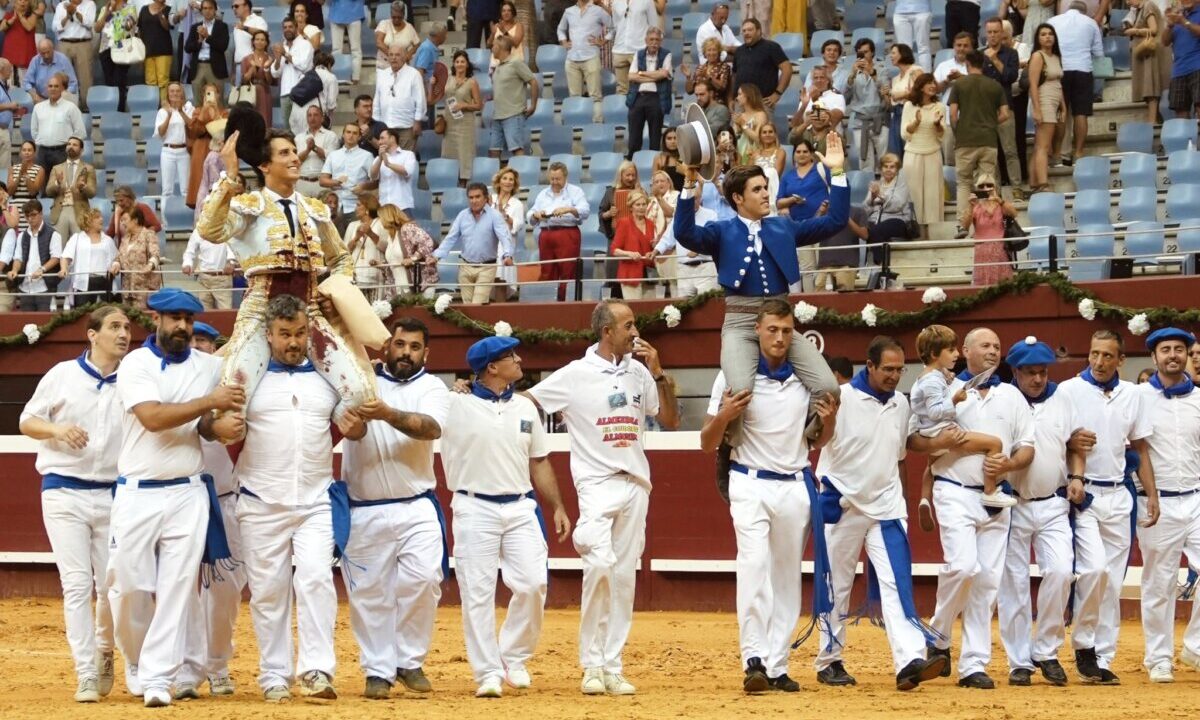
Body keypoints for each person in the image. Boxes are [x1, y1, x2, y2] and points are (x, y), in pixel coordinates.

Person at [213, 293, 364, 703]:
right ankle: (274, 675)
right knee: (268, 591)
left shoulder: (325, 378)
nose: (293, 342)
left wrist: (356, 429)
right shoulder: (248, 379)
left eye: (299, 333)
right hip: (261, 500)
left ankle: (316, 671)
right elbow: (222, 428)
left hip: (314, 499)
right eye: (284, 335)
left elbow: (353, 422)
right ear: (269, 335)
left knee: (316, 579)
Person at [527, 300, 678, 695]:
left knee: (624, 577)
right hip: (595, 483)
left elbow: (670, 419)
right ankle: (591, 664)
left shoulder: (641, 372)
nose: (635, 331)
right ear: (606, 331)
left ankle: (611, 665)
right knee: (600, 565)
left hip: (636, 483)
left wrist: (659, 373)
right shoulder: (575, 374)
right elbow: (529, 402)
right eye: (628, 325)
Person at [196, 116, 381, 433]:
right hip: (259, 312)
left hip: (308, 310)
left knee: (362, 392)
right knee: (233, 396)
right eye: (284, 153)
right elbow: (209, 229)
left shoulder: (314, 209)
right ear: (265, 166)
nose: (295, 157)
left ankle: (313, 428)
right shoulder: (247, 206)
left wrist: (333, 292)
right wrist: (229, 175)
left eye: (294, 151)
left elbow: (341, 259)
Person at [108, 288, 242, 708]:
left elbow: (204, 423)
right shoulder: (135, 364)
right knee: (128, 585)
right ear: (156, 321)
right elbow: (153, 419)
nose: (182, 326)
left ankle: (158, 678)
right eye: (174, 318)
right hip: (137, 490)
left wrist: (218, 427)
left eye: (188, 318)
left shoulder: (209, 365)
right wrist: (209, 403)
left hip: (187, 491)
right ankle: (136, 658)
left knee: (178, 588)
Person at [674, 137, 848, 450]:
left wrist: (837, 173)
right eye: (758, 189)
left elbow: (834, 221)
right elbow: (684, 233)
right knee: (740, 389)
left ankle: (805, 440)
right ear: (738, 198)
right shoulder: (721, 230)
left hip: (781, 320)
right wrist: (689, 180)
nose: (767, 194)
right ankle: (734, 451)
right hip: (741, 323)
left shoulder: (784, 226)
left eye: (766, 187)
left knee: (827, 387)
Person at [699, 298, 835, 694]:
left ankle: (777, 664)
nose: (778, 337)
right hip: (749, 480)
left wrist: (831, 421)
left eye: (786, 331)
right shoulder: (733, 377)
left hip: (794, 483)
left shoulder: (807, 381)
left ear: (795, 337)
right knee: (754, 567)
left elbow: (822, 441)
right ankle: (753, 658)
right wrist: (724, 415)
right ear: (756, 330)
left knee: (787, 577)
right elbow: (706, 443)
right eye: (772, 329)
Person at [813, 334, 951, 690]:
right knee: (837, 586)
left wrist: (904, 499)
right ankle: (829, 660)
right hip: (841, 504)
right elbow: (819, 442)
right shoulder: (840, 398)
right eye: (887, 369)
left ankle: (910, 660)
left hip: (885, 509)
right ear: (869, 366)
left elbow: (901, 455)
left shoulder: (901, 405)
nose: (894, 375)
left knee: (896, 583)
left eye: (899, 369)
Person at [442, 336, 571, 697]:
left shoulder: (526, 408)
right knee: (477, 593)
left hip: (519, 505)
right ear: (492, 368)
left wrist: (557, 505)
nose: (519, 360)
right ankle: (487, 672)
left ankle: (512, 657)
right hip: (473, 505)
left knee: (534, 584)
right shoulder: (454, 403)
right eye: (510, 357)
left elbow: (539, 460)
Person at [18, 305, 129, 702]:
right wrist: (57, 428)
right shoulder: (62, 374)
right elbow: (27, 421)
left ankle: (104, 648)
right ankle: (86, 671)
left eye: (127, 327)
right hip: (63, 490)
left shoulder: (133, 379)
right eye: (114, 327)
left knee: (115, 585)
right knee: (78, 585)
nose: (123, 333)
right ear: (92, 334)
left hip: (114, 494)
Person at [916, 327, 1034, 690]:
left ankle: (973, 664)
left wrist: (1008, 467)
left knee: (986, 583)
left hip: (996, 497)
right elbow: (920, 440)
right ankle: (937, 636)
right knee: (964, 566)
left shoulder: (1012, 395)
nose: (994, 351)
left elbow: (1027, 446)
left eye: (998, 346)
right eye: (985, 345)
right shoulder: (943, 389)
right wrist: (947, 443)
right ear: (963, 351)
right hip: (953, 489)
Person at [339, 317, 449, 698]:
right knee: (369, 593)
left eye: (414, 347)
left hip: (416, 503)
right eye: (400, 345)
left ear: (426, 353)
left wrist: (386, 414)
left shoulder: (433, 387)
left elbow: (432, 428)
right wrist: (352, 421)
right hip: (363, 505)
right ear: (387, 347)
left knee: (424, 579)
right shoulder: (360, 380)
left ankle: (408, 659)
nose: (406, 353)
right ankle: (378, 670)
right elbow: (346, 426)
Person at [1055, 329, 1156, 684]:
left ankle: (1102, 655)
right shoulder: (1068, 390)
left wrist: (1152, 494)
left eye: (1107, 356)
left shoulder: (1133, 395)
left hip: (1120, 494)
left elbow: (1140, 447)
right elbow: (1054, 437)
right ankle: (1084, 645)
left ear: (1121, 360)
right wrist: (1070, 441)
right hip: (1085, 495)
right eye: (1095, 354)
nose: (1099, 361)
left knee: (1112, 582)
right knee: (1095, 571)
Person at [997, 336, 1086, 688]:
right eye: (1030, 372)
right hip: (1012, 504)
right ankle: (1020, 660)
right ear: (1015, 372)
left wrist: (1077, 476)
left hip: (1052, 502)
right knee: (1013, 584)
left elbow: (1075, 443)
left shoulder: (1062, 397)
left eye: (1043, 371)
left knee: (1062, 572)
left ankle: (1046, 650)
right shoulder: (1003, 399)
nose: (1038, 379)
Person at [1135, 328, 1200, 683]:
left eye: (1179, 349)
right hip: (1155, 503)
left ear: (1188, 354)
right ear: (1154, 357)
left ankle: (1196, 646)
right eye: (1165, 350)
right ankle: (1158, 658)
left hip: (1197, 496)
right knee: (1158, 583)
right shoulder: (1138, 398)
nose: (1172, 355)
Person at [911, 324, 1010, 508]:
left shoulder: (934, 375)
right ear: (934, 354)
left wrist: (945, 374)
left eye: (996, 347)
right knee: (994, 443)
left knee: (932, 464)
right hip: (941, 430)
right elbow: (934, 412)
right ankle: (990, 491)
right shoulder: (933, 381)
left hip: (932, 430)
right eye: (951, 350)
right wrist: (954, 400)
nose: (956, 354)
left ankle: (925, 498)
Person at [949, 51, 1008, 238]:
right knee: (987, 182)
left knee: (964, 183)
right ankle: (988, 222)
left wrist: (959, 130)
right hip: (988, 140)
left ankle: (962, 225)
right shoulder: (994, 85)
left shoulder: (959, 84)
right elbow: (1005, 114)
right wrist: (990, 124)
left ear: (967, 63)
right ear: (983, 64)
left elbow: (952, 115)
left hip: (965, 140)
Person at [435, 182, 515, 304]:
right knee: (467, 306)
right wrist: (436, 256)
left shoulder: (495, 216)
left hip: (486, 267)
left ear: (486, 198)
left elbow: (505, 237)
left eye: (477, 197)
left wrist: (507, 254)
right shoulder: (462, 215)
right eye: (471, 197)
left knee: (477, 305)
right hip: (465, 266)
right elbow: (450, 238)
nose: (474, 200)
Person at [1047, 0, 1102, 166]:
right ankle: (1078, 153)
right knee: (1081, 113)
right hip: (1083, 70)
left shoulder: (1053, 21)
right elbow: (1099, 53)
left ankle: (1057, 154)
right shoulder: (1091, 22)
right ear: (1084, 11)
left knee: (1061, 113)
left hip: (1061, 69)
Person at [527, 161, 589, 301]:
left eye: (558, 179)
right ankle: (548, 301)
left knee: (568, 270)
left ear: (565, 177)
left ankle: (567, 302)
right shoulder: (543, 193)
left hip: (567, 233)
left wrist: (569, 209)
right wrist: (535, 215)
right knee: (547, 271)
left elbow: (585, 211)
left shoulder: (576, 191)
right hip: (546, 233)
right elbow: (530, 213)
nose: (554, 182)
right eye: (552, 179)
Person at [654, 177, 717, 297]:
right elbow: (668, 237)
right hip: (684, 268)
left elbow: (713, 239)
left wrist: (698, 249)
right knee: (684, 307)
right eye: (691, 199)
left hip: (705, 267)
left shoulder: (711, 215)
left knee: (708, 305)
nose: (693, 202)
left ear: (701, 198)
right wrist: (656, 250)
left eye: (696, 198)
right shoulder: (680, 216)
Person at [981, 17, 1022, 193]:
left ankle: (1017, 188)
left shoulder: (1011, 54)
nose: (992, 35)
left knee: (1010, 150)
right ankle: (994, 192)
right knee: (991, 154)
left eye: (996, 32)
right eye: (989, 32)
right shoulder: (979, 55)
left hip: (1005, 107)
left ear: (1002, 33)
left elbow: (1010, 77)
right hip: (985, 110)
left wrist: (995, 59)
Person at [902, 73, 946, 238]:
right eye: (929, 83)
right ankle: (917, 233)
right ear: (920, 87)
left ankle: (932, 235)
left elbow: (942, 135)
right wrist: (916, 122)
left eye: (934, 83)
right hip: (913, 154)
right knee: (914, 194)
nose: (933, 86)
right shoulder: (909, 106)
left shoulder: (939, 107)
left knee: (932, 194)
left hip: (933, 153)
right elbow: (905, 134)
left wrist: (937, 125)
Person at [2, 199, 61, 310]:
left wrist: (42, 269)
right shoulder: (22, 236)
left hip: (44, 287)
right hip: (25, 287)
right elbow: (18, 258)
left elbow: (56, 258)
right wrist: (14, 270)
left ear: (41, 213)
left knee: (44, 325)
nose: (30, 218)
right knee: (26, 324)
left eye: (33, 215)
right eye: (27, 216)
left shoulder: (53, 234)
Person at [558, 0, 610, 122]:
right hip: (571, 58)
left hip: (591, 56)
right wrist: (564, 42)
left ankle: (596, 126)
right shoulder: (569, 11)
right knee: (574, 97)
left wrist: (603, 40)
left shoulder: (598, 11)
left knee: (595, 96)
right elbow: (560, 29)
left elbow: (613, 26)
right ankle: (577, 125)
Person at [1027, 23, 1064, 194]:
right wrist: (1037, 109)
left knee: (1040, 145)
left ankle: (1035, 183)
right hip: (1044, 100)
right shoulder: (1037, 56)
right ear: (1038, 38)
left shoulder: (1055, 56)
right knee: (1044, 145)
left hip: (1055, 100)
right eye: (1043, 34)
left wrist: (1063, 105)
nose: (1047, 37)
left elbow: (1058, 83)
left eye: (1050, 33)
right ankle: (1043, 183)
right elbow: (1033, 84)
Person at [844, 38, 890, 174]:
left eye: (866, 52)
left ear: (873, 53)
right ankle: (867, 190)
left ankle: (886, 190)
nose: (863, 55)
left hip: (879, 119)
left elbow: (886, 92)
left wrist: (873, 73)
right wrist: (852, 75)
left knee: (884, 159)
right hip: (860, 120)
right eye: (860, 53)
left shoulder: (881, 70)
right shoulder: (852, 73)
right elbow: (845, 98)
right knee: (864, 160)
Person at [963, 173, 1017, 286]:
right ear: (977, 189)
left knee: (1004, 284)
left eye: (989, 185)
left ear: (995, 187)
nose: (986, 188)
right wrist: (970, 205)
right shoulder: (975, 206)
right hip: (982, 250)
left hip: (1000, 249)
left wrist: (999, 200)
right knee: (983, 284)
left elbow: (1014, 213)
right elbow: (965, 226)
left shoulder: (1000, 204)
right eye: (981, 186)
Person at [489, 36, 538, 159]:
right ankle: (497, 178)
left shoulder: (516, 62)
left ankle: (520, 176)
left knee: (517, 149)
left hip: (513, 114)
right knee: (493, 150)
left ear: (502, 48)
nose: (491, 48)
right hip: (497, 115)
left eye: (494, 46)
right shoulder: (498, 66)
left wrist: (533, 105)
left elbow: (533, 82)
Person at [863, 154, 917, 264]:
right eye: (885, 166)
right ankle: (857, 265)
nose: (888, 170)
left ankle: (880, 265)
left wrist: (881, 196)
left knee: (876, 230)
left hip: (898, 220)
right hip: (875, 220)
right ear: (881, 169)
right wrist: (872, 199)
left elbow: (897, 205)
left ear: (897, 169)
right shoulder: (877, 184)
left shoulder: (902, 185)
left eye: (892, 167)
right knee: (857, 229)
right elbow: (865, 210)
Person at [626, 26, 671, 157]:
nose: (654, 43)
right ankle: (632, 164)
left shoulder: (666, 54)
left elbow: (663, 75)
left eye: (657, 40)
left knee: (655, 138)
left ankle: (654, 168)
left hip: (657, 99)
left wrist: (641, 74)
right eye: (651, 39)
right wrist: (655, 75)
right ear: (646, 40)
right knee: (634, 139)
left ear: (660, 42)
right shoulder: (638, 54)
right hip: (638, 98)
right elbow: (631, 76)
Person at [60, 209, 118, 306]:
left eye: (101, 216)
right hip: (82, 283)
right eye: (97, 217)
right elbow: (65, 257)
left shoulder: (108, 240)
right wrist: (63, 269)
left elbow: (116, 258)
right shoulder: (77, 238)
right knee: (82, 314)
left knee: (103, 314)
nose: (101, 219)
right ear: (88, 221)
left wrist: (116, 265)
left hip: (103, 282)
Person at [373, 44, 425, 151]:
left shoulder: (414, 74)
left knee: (405, 160)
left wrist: (418, 121)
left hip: (407, 126)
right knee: (387, 159)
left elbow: (420, 100)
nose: (393, 58)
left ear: (405, 56)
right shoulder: (382, 74)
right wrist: (376, 122)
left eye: (397, 55)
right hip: (386, 126)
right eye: (391, 55)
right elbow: (377, 99)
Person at [1125, 0, 1169, 125]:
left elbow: (1153, 29)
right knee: (1148, 86)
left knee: (1151, 86)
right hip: (1146, 55)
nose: (1128, 2)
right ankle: (1156, 117)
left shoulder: (1148, 5)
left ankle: (1152, 119)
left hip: (1151, 54)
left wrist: (1135, 31)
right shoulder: (1139, 9)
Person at [44, 136, 95, 243]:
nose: (71, 146)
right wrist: (57, 183)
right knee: (58, 247)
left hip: (79, 211)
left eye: (74, 145)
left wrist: (83, 187)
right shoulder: (56, 168)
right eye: (69, 144)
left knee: (80, 246)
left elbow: (92, 192)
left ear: (81, 150)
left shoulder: (89, 168)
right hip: (60, 210)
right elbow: (48, 191)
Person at [30, 74, 85, 172]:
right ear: (47, 88)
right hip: (42, 152)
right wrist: (42, 141)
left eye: (56, 86)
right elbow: (34, 131)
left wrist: (70, 147)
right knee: (42, 185)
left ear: (62, 88)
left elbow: (80, 132)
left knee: (62, 185)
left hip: (62, 152)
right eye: (50, 86)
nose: (53, 89)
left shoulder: (70, 107)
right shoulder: (38, 108)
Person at [732, 19, 790, 109]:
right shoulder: (739, 51)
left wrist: (777, 94)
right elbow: (735, 75)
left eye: (750, 30)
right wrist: (732, 97)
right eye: (744, 31)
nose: (746, 33)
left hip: (763, 103)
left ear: (759, 31)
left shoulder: (771, 47)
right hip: (740, 103)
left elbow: (787, 69)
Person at [442, 51, 482, 183]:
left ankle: (463, 185)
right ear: (454, 64)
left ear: (467, 65)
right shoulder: (448, 79)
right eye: (457, 61)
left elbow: (478, 105)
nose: (459, 64)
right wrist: (432, 84)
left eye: (462, 62)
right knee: (449, 153)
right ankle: (450, 184)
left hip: (465, 124)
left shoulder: (472, 82)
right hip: (449, 122)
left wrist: (464, 105)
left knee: (464, 155)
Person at [187, 84, 227, 208]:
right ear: (203, 96)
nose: (210, 96)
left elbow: (222, 133)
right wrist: (203, 113)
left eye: (213, 93)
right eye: (207, 93)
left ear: (218, 95)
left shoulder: (224, 113)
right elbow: (193, 132)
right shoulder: (197, 111)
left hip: (218, 151)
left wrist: (215, 115)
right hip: (200, 151)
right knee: (200, 185)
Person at [609, 0, 661, 96]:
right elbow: (615, 25)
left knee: (643, 87)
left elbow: (654, 26)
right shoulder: (616, 2)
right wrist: (606, 38)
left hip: (639, 50)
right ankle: (623, 111)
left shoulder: (647, 1)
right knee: (621, 90)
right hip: (619, 49)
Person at [181, 218, 235, 311]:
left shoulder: (227, 227)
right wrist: (187, 264)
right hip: (203, 279)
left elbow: (233, 246)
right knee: (204, 313)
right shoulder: (198, 230)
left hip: (222, 279)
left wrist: (231, 261)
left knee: (225, 312)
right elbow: (189, 252)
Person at [610, 190, 655, 300]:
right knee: (635, 310)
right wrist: (629, 253)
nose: (641, 207)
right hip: (630, 274)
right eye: (637, 204)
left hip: (650, 274)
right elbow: (614, 250)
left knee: (650, 310)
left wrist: (653, 250)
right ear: (631, 207)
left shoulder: (651, 223)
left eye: (644, 204)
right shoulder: (624, 223)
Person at [320, 124, 375, 214]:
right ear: (343, 135)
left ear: (359, 137)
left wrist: (363, 186)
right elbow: (322, 181)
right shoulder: (333, 155)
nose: (351, 135)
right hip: (335, 205)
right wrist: (337, 182)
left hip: (356, 205)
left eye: (355, 133)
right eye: (348, 132)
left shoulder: (367, 156)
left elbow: (376, 182)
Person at [93, 0, 137, 112]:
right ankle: (110, 110)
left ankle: (120, 111)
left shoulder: (130, 8)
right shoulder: (104, 9)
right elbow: (97, 29)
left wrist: (118, 12)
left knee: (119, 80)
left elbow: (128, 27)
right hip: (106, 48)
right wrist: (107, 13)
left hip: (122, 49)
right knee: (109, 81)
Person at [382, 206, 437, 294]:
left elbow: (428, 241)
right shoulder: (391, 236)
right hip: (399, 286)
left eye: (381, 218)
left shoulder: (408, 228)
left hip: (419, 283)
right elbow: (394, 259)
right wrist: (380, 264)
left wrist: (413, 258)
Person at [272, 17, 315, 127]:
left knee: (302, 128)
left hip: (301, 92)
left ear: (296, 28)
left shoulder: (305, 44)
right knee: (287, 130)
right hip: (285, 94)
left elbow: (304, 66)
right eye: (285, 27)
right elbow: (275, 73)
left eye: (290, 27)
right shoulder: (283, 46)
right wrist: (277, 59)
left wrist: (286, 54)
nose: (287, 29)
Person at [155, 83, 194, 202]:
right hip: (167, 151)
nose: (175, 93)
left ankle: (185, 217)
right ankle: (166, 220)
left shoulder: (189, 108)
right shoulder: (162, 111)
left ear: (182, 93)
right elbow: (160, 132)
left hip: (184, 151)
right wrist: (169, 114)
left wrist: (181, 111)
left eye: (177, 91)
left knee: (186, 190)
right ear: (168, 93)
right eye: (172, 91)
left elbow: (192, 126)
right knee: (167, 190)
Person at [116, 206, 162, 308]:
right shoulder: (125, 238)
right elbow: (119, 256)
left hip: (144, 289)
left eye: (125, 220)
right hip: (127, 290)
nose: (122, 223)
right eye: (121, 220)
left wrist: (150, 265)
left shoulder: (149, 234)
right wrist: (116, 263)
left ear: (135, 220)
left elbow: (155, 254)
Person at [184, 0, 229, 103]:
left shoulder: (222, 26)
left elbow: (223, 46)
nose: (207, 11)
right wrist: (199, 41)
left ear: (215, 10)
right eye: (205, 8)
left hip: (215, 68)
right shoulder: (195, 27)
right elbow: (187, 48)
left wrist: (207, 37)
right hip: (198, 67)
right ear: (201, 11)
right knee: (198, 103)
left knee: (217, 103)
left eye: (210, 8)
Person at [492, 166, 525, 300]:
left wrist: (504, 215)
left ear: (514, 184)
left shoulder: (517, 204)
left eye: (511, 179)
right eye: (505, 178)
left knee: (501, 280)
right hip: (488, 243)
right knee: (487, 281)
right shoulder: (490, 199)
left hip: (504, 246)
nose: (508, 182)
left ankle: (500, 316)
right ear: (499, 181)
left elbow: (518, 225)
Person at [289, 50, 338, 135]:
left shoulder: (304, 76)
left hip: (295, 115)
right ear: (329, 64)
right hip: (314, 116)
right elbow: (331, 104)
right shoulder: (331, 77)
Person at [296, 105, 339, 198]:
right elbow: (296, 160)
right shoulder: (298, 138)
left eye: (315, 115)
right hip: (302, 182)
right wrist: (308, 150)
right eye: (309, 115)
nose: (312, 118)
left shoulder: (331, 136)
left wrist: (314, 148)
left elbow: (332, 159)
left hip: (321, 183)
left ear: (322, 118)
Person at [371, 127, 417, 215]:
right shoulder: (378, 158)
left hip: (402, 205)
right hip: (384, 205)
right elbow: (373, 176)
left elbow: (407, 171)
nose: (379, 142)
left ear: (392, 138)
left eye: (382, 138)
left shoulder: (408, 154)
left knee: (405, 229)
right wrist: (380, 159)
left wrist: (388, 164)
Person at [139, 0, 176, 103]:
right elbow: (140, 30)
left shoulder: (169, 9)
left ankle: (163, 107)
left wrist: (161, 16)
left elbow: (168, 27)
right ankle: (152, 106)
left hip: (163, 50)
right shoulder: (144, 9)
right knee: (150, 81)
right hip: (148, 51)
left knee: (163, 81)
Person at [888, 44, 923, 156]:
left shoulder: (916, 70)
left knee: (910, 151)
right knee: (895, 153)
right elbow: (893, 101)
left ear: (902, 54)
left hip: (911, 113)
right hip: (896, 115)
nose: (890, 56)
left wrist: (902, 95)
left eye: (893, 53)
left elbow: (921, 93)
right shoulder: (895, 79)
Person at [25, 39, 80, 105]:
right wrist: (34, 95)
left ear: (53, 49)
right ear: (39, 52)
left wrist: (63, 96)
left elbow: (73, 83)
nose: (46, 56)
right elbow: (26, 82)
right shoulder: (35, 60)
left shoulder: (63, 59)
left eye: (48, 52)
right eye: (43, 53)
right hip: (41, 99)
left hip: (61, 99)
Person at [228, 0, 267, 86]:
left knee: (253, 97)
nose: (234, 9)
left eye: (237, 6)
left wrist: (245, 28)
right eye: (233, 7)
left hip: (253, 66)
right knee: (240, 97)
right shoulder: (237, 26)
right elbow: (236, 49)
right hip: (238, 66)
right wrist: (233, 72)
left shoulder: (258, 20)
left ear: (246, 6)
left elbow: (263, 35)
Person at [240, 30, 276, 125]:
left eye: (262, 40)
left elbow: (271, 81)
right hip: (250, 92)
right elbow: (244, 80)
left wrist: (266, 69)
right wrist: (252, 68)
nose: (259, 42)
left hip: (265, 92)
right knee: (249, 122)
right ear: (253, 42)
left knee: (265, 121)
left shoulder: (270, 59)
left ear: (266, 43)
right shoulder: (246, 59)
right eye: (257, 39)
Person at [2, 0, 39, 84]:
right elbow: (1, 28)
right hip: (10, 53)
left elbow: (28, 27)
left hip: (25, 54)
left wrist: (19, 15)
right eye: (20, 0)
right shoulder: (9, 14)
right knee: (9, 84)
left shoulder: (33, 15)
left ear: (29, 2)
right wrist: (11, 20)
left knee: (25, 83)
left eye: (25, 0)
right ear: (15, 2)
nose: (23, 2)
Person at [732, 84, 769, 164]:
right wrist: (737, 130)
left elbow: (758, 138)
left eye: (739, 94)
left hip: (754, 154)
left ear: (748, 95)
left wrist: (743, 125)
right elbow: (734, 137)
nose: (737, 98)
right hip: (739, 154)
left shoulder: (760, 115)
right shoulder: (740, 116)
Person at [374, 1, 418, 66]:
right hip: (384, 63)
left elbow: (417, 44)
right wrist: (393, 56)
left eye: (399, 17)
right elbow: (379, 43)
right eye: (394, 17)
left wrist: (409, 54)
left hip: (402, 64)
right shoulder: (384, 24)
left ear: (403, 15)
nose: (396, 19)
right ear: (390, 14)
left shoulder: (409, 27)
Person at [895, 0, 933, 70]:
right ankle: (906, 78)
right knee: (903, 50)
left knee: (923, 48)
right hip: (900, 11)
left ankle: (926, 79)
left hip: (922, 9)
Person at [489, 1, 527, 71]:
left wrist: (504, 31)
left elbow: (516, 43)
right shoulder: (497, 26)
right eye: (503, 11)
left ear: (513, 13)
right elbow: (489, 45)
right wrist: (492, 34)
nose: (506, 13)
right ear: (501, 13)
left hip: (514, 64)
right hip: (497, 65)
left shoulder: (519, 26)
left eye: (509, 11)